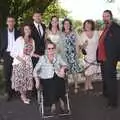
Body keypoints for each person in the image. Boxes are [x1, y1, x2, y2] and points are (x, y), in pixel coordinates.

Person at [33, 40, 67, 113]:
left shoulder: (58, 56)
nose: (51, 50)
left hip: (57, 76)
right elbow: (35, 70)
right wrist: (37, 80)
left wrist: (62, 68)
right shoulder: (42, 58)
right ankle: (54, 103)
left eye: (52, 48)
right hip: (46, 78)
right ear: (46, 50)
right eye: (49, 48)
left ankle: (60, 100)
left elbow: (65, 65)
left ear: (54, 49)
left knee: (60, 81)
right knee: (52, 84)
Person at [10, 24, 39, 104]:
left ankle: (24, 95)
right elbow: (13, 53)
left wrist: (37, 55)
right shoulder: (19, 39)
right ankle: (23, 96)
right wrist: (21, 60)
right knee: (21, 80)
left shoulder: (32, 40)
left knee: (26, 80)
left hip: (28, 62)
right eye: (25, 29)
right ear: (23, 30)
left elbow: (30, 53)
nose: (27, 30)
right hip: (19, 62)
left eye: (28, 29)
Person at [97, 10, 120, 108]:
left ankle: (113, 103)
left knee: (111, 81)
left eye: (107, 16)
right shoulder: (107, 27)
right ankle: (107, 94)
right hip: (103, 58)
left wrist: (113, 59)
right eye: (103, 16)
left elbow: (117, 44)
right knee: (106, 79)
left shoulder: (116, 28)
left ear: (111, 16)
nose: (105, 18)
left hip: (110, 60)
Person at [59, 18, 82, 94]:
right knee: (65, 72)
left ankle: (76, 85)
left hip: (72, 55)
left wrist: (78, 53)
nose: (67, 25)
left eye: (68, 24)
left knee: (74, 71)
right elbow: (59, 44)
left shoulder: (74, 32)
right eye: (65, 24)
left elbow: (77, 44)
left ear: (70, 25)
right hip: (64, 55)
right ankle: (66, 87)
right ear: (63, 25)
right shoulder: (61, 33)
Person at [0, 15, 20, 101]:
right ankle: (8, 92)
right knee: (7, 74)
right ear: (7, 22)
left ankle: (15, 90)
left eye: (12, 21)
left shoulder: (18, 32)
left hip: (16, 55)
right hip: (7, 54)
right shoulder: (2, 32)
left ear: (14, 23)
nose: (11, 23)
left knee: (16, 73)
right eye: (9, 21)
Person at [79, 20, 99, 91]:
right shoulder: (82, 34)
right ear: (84, 26)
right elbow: (80, 47)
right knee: (87, 72)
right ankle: (86, 84)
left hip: (95, 55)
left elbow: (100, 43)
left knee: (93, 70)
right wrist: (84, 45)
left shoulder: (96, 33)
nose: (87, 26)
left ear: (92, 25)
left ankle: (90, 83)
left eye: (89, 24)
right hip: (87, 56)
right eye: (86, 25)